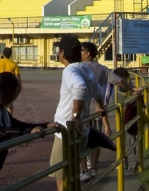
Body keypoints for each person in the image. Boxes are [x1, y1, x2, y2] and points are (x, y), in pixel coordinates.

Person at [49, 34, 105, 191]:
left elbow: (79, 87)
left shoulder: (69, 71)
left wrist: (76, 115)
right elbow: (99, 92)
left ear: (62, 53)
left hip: (66, 132)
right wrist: (99, 106)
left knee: (62, 179)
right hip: (82, 132)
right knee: (73, 176)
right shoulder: (85, 69)